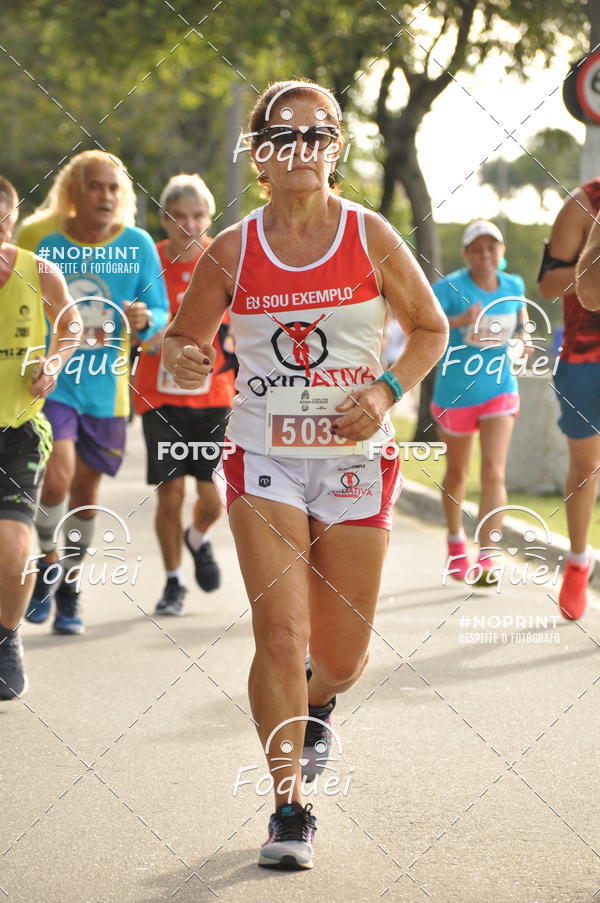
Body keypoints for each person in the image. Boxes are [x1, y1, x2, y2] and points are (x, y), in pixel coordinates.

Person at [163, 80, 447, 870]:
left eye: (315, 134)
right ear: (258, 156)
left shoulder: (369, 234)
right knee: (281, 635)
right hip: (264, 456)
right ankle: (289, 808)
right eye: (280, 137)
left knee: (342, 656)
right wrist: (183, 356)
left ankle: (319, 700)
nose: (298, 148)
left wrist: (385, 391)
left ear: (335, 148)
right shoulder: (232, 249)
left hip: (354, 460)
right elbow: (184, 341)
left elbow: (430, 327)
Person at [18, 150, 168, 635]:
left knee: (85, 492)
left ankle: (69, 585)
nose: (105, 196)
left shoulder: (137, 245)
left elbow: (160, 313)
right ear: (73, 193)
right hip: (53, 382)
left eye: (113, 188)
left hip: (107, 389)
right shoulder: (39, 239)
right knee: (56, 480)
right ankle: (46, 561)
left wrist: (147, 320)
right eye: (95, 186)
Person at [133, 174, 235, 615]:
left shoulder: (225, 258)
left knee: (213, 498)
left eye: (198, 216)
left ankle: (197, 537)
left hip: (215, 396)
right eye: (179, 217)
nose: (189, 225)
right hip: (160, 397)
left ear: (209, 218)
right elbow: (129, 323)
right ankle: (173, 582)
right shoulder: (149, 262)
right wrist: (141, 326)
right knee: (170, 494)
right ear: (164, 219)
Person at [0, 176, 81, 699]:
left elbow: (71, 322)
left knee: (12, 547)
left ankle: (6, 638)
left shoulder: (37, 270)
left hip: (19, 431)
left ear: (12, 219)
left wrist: (53, 363)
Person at [431, 222, 531, 585]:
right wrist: (461, 320)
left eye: (491, 248)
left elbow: (522, 320)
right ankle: (456, 543)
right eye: (477, 249)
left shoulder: (514, 285)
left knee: (493, 471)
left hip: (499, 388)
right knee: (458, 473)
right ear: (466, 254)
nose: (485, 255)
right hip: (455, 394)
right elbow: (423, 325)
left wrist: (525, 339)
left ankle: (487, 554)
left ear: (501, 252)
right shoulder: (448, 287)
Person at [539, 180, 600, 620]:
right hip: (585, 356)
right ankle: (579, 560)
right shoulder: (584, 203)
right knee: (585, 466)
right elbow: (547, 285)